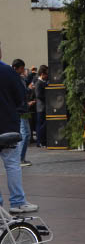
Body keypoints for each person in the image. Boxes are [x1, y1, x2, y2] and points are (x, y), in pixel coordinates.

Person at [0, 42, 38, 213]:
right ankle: (17, 202)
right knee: (12, 164)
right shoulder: (8, 71)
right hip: (7, 126)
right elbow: (20, 97)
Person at [10, 60, 33, 166]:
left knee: (24, 133)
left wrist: (28, 89)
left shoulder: (21, 78)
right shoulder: (13, 78)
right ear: (16, 68)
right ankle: (20, 159)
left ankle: (21, 158)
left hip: (24, 108)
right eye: (22, 68)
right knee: (26, 133)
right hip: (19, 109)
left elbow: (23, 93)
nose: (23, 70)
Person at [34, 66, 48, 147]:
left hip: (42, 107)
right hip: (41, 107)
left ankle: (41, 140)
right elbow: (39, 95)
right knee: (41, 124)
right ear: (42, 74)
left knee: (41, 124)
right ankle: (40, 141)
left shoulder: (43, 82)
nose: (47, 76)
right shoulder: (39, 83)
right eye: (46, 74)